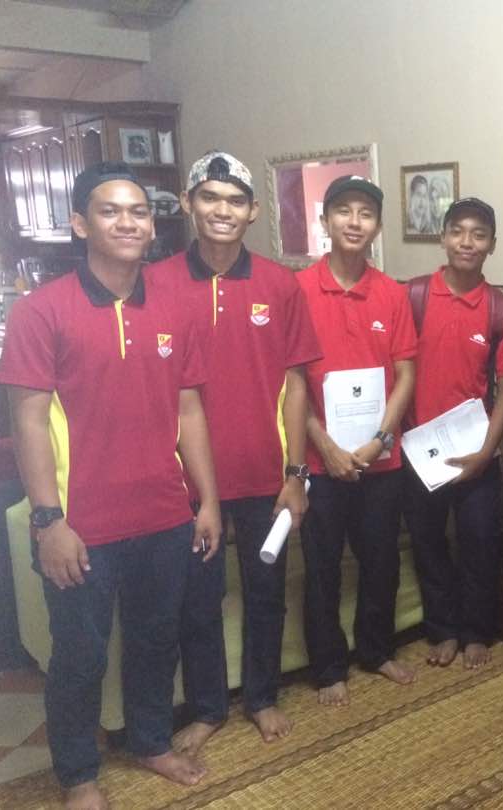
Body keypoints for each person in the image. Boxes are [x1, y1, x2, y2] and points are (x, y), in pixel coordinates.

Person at [0, 162, 222, 810]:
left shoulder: (175, 308)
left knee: (155, 640)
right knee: (80, 656)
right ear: (79, 223)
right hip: (81, 525)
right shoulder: (42, 311)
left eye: (139, 211)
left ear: (153, 225)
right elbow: (28, 420)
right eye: (110, 210)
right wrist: (49, 521)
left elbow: (189, 411)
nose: (128, 222)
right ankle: (79, 775)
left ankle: (150, 741)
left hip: (164, 516)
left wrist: (206, 500)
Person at [148, 151, 322, 749]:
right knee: (198, 601)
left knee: (266, 593)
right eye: (210, 197)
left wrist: (296, 472)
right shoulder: (154, 283)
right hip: (187, 484)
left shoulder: (279, 284)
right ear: (189, 204)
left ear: (253, 212)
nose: (222, 210)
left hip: (264, 476)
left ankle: (262, 696)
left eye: (235, 200)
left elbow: (297, 384)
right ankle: (207, 707)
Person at [297, 175, 419, 706]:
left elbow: (406, 376)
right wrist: (324, 446)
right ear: (326, 220)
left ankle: (376, 649)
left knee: (381, 561)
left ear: (377, 226)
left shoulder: (392, 293)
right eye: (343, 211)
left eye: (365, 213)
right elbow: (290, 383)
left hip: (380, 461)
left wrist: (379, 440)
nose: (354, 221)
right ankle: (328, 667)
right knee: (322, 567)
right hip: (318, 460)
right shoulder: (298, 290)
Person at [402, 198, 503, 669]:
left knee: (479, 543)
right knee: (428, 543)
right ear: (443, 237)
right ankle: (443, 630)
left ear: (491, 244)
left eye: (478, 234)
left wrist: (486, 452)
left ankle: (476, 631)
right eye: (458, 231)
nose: (467, 242)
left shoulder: (500, 310)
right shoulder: (413, 296)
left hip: (477, 453)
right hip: (420, 452)